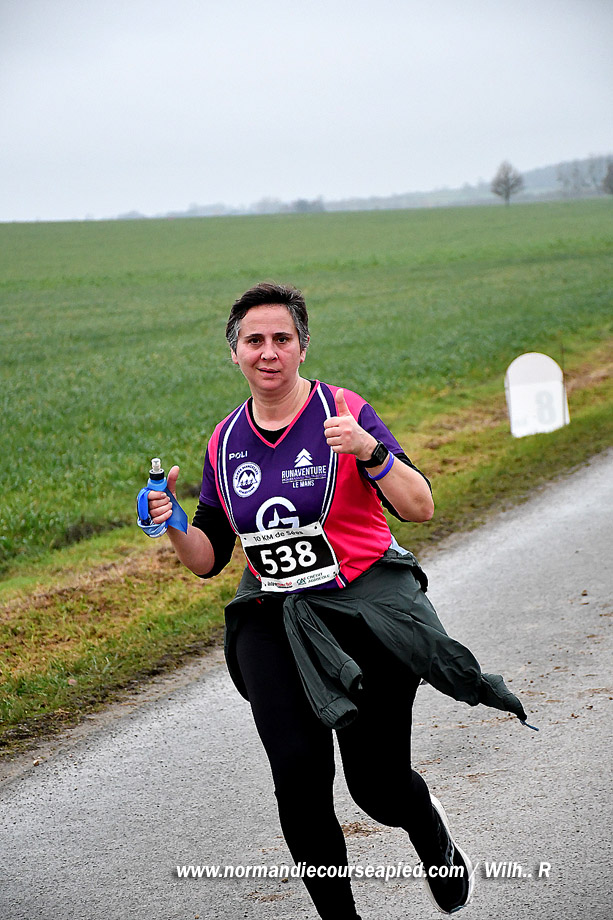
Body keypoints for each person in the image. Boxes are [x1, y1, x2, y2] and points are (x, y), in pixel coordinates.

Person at [144, 282, 529, 919]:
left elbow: (420, 506)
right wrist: (174, 524)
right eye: (254, 341)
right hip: (276, 617)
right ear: (234, 353)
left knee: (377, 787)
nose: (269, 352)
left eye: (282, 338)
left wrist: (370, 452)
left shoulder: (343, 411)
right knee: (297, 778)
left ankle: (424, 824)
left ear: (303, 346)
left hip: (365, 612)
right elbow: (209, 558)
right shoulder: (225, 440)